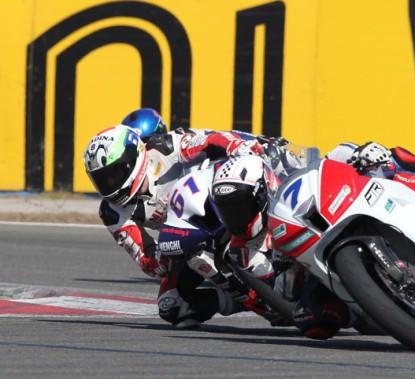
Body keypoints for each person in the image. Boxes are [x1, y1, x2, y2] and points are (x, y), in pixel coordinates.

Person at [210, 142, 415, 339]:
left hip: (346, 207)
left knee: (398, 160)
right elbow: (279, 298)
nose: (236, 215)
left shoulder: (286, 170)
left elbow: (330, 158)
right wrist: (285, 279)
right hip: (321, 274)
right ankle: (382, 311)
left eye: (240, 205)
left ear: (263, 188)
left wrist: (361, 152)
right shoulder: (245, 251)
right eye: (227, 210)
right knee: (312, 323)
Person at [83, 108, 286, 328]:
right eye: (101, 180)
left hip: (224, 199)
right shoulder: (112, 212)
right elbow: (146, 259)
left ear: (131, 160)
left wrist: (240, 146)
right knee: (171, 305)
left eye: (113, 175)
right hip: (190, 234)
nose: (109, 185)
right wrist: (165, 253)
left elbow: (211, 140)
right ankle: (251, 302)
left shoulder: (165, 147)